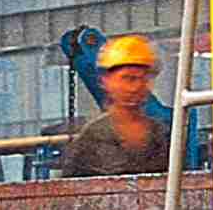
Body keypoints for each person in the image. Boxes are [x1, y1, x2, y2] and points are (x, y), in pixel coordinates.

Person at [58, 33, 173, 178]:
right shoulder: (92, 139)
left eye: (143, 78)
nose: (136, 87)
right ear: (105, 81)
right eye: (128, 78)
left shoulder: (161, 135)